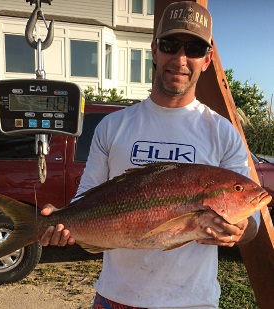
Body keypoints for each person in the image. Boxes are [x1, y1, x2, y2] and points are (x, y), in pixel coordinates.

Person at [39, 1, 260, 308]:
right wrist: (60, 221)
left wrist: (239, 230)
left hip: (192, 302)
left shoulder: (223, 133)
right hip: (116, 298)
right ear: (155, 50)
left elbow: (253, 226)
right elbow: (87, 199)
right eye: (170, 45)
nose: (181, 59)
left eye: (194, 49)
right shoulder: (112, 126)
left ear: (207, 59)